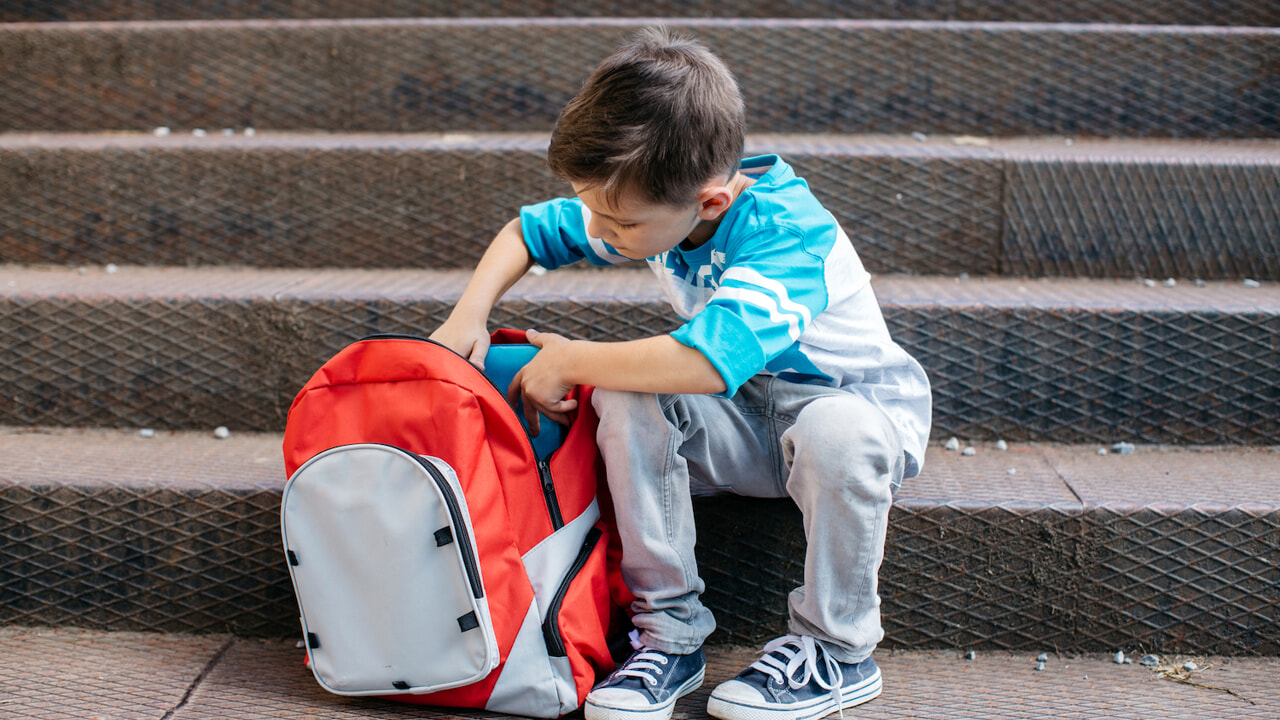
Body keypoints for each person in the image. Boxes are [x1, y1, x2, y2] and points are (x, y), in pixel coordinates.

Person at [430, 27, 931, 720]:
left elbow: (702, 361)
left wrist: (570, 359)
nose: (601, 234)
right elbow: (525, 234)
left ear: (712, 202)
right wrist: (467, 318)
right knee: (628, 395)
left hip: (847, 420)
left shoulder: (788, 229)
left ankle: (838, 650)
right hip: (745, 421)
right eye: (595, 212)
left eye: (619, 224)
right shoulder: (646, 200)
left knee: (836, 433)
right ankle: (669, 633)